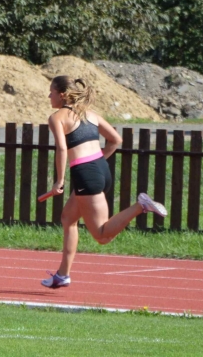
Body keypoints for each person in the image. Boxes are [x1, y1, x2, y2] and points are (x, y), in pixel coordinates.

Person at [41, 76, 168, 289]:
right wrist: (96, 160)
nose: (49, 96)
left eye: (51, 91)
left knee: (101, 235)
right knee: (68, 218)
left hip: (86, 174)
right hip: (100, 168)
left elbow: (62, 149)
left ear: (62, 94)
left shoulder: (57, 117)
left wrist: (59, 181)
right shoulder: (90, 114)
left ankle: (141, 206)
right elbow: (116, 140)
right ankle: (62, 275)